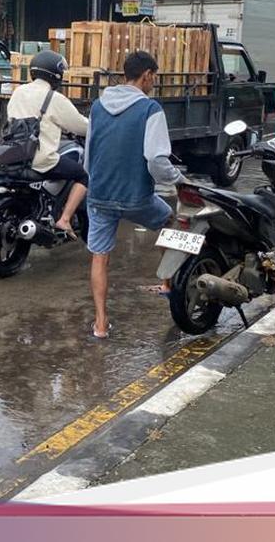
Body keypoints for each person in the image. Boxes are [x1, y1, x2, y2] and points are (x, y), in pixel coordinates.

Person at [85, 51, 183, 338]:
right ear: (147, 75)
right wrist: (179, 181)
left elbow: (89, 155)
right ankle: (166, 283)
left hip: (99, 195)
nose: (154, 82)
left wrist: (95, 187)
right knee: (168, 221)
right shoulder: (150, 109)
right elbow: (156, 160)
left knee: (99, 256)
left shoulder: (98, 106)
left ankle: (101, 325)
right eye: (155, 77)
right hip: (136, 196)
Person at [6, 49, 88, 236]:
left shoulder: (18, 91)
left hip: (14, 156)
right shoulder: (55, 98)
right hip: (41, 160)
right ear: (56, 74)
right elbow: (80, 126)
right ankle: (64, 220)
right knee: (82, 176)